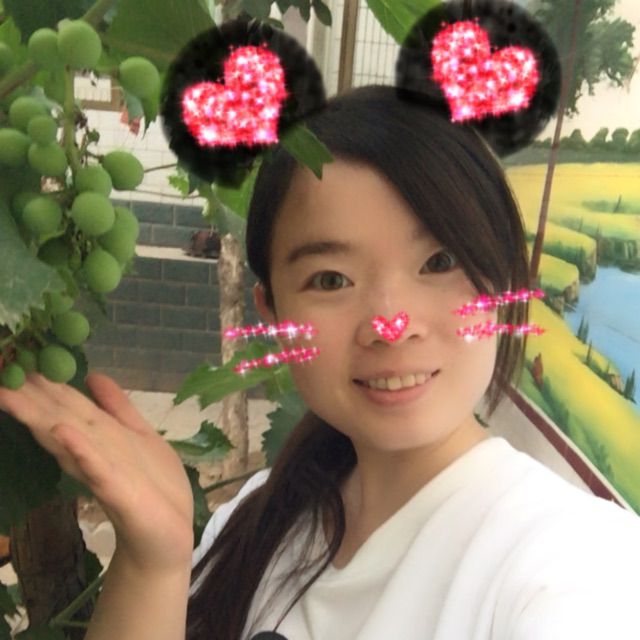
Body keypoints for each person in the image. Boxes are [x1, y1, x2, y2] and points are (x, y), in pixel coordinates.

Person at [1, 82, 640, 640]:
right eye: (331, 279)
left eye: (439, 262)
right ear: (274, 314)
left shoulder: (579, 564)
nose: (390, 325)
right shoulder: (255, 516)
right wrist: (153, 565)